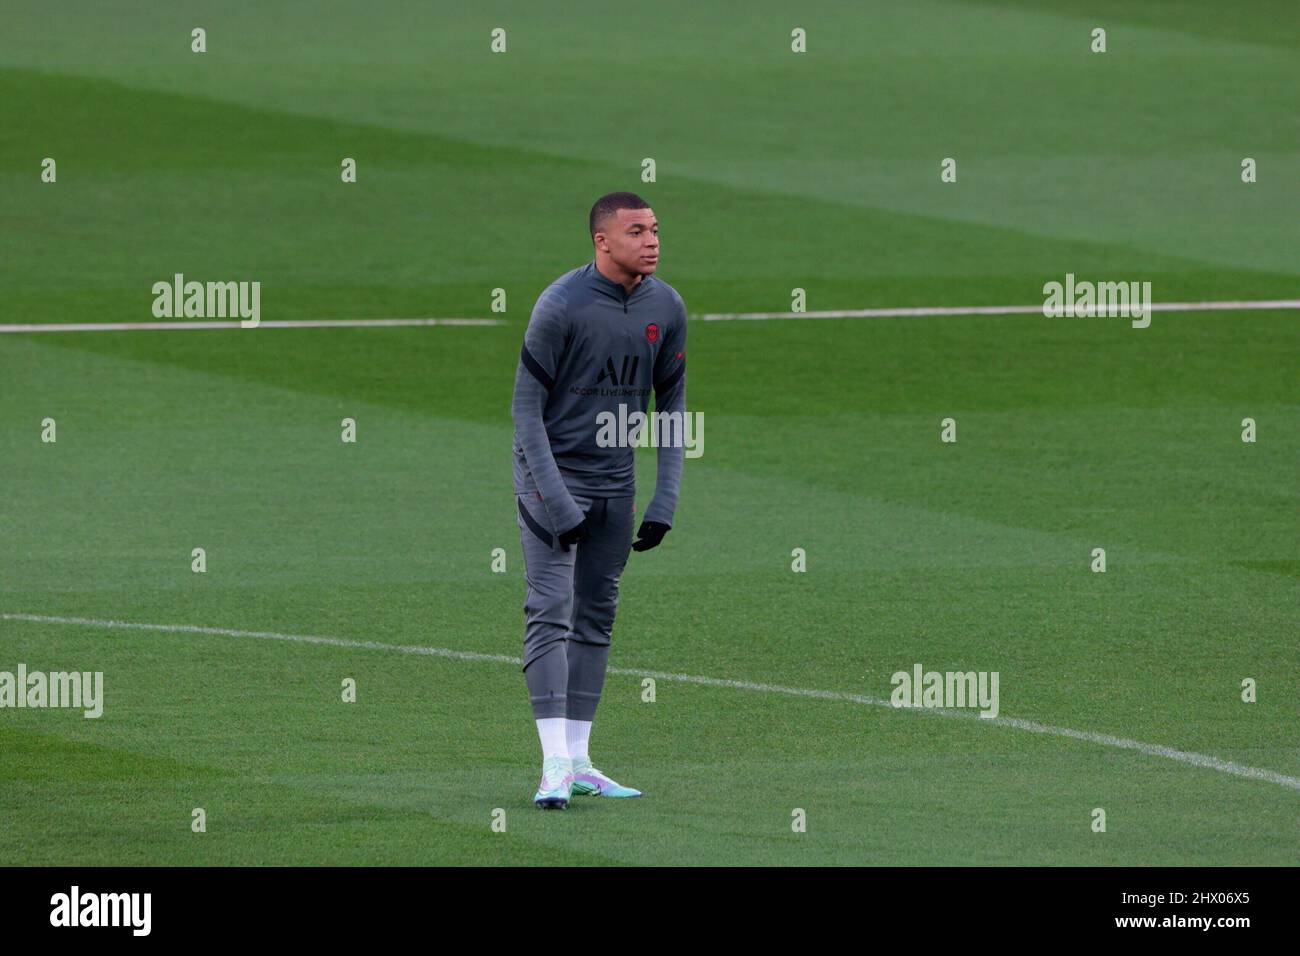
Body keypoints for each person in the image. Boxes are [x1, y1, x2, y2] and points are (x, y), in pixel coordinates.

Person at [510, 191, 688, 809]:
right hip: (551, 477)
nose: (653, 240)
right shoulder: (560, 304)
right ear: (602, 241)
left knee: (596, 615)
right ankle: (552, 765)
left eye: (656, 229)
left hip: (617, 483)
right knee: (550, 609)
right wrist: (559, 503)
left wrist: (664, 497)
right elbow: (525, 410)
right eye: (637, 230)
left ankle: (581, 760)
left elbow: (672, 406)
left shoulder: (666, 306)